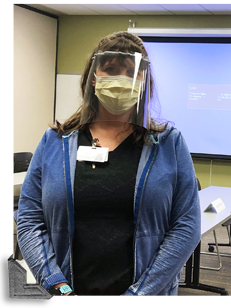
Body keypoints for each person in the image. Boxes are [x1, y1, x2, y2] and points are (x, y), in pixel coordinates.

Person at [16, 31, 201, 296]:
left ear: (144, 80)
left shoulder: (169, 144)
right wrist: (55, 282)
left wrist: (138, 296)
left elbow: (187, 226)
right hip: (68, 294)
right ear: (93, 78)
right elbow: (29, 218)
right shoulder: (55, 142)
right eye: (111, 69)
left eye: (131, 71)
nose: (121, 79)